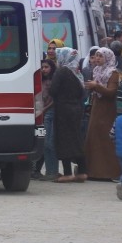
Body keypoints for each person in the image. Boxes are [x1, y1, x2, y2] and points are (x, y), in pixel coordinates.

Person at [83, 47, 122, 180]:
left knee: (106, 139)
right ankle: (93, 172)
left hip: (107, 110)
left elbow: (111, 92)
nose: (98, 58)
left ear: (108, 58)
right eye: (96, 56)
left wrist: (96, 86)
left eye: (101, 56)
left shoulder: (113, 73)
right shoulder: (96, 70)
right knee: (93, 138)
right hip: (96, 107)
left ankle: (110, 172)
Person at [49, 48, 86, 182]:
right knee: (76, 138)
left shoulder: (62, 71)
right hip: (76, 109)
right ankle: (82, 172)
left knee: (63, 139)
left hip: (63, 110)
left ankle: (67, 173)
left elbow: (53, 90)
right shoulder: (77, 72)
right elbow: (82, 93)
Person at [33, 58, 57, 180]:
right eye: (42, 67)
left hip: (48, 114)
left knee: (47, 143)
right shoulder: (39, 81)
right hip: (39, 116)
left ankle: (51, 171)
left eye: (46, 67)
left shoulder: (53, 82)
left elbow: (53, 100)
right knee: (40, 141)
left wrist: (44, 109)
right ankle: (35, 170)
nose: (44, 69)